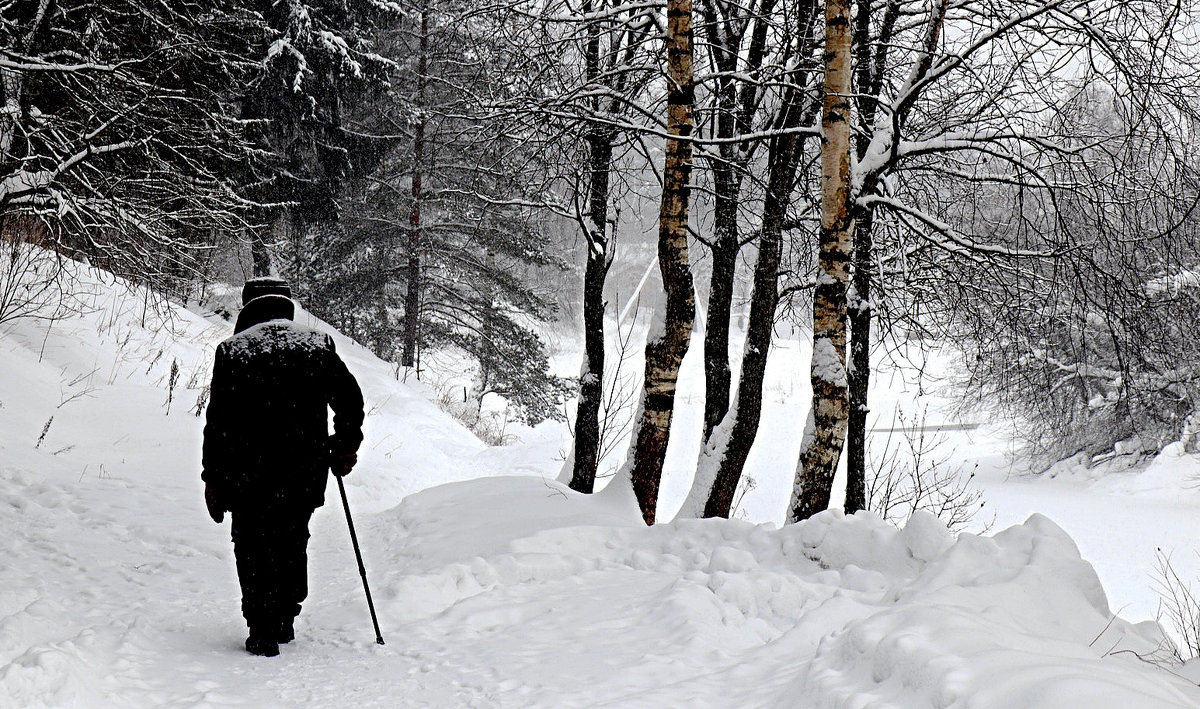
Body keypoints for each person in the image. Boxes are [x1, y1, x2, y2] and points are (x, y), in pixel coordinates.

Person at [202, 277, 365, 657]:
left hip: (248, 474)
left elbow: (219, 423)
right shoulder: (316, 345)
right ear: (286, 305)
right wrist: (344, 446)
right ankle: (286, 615)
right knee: (292, 540)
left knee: (252, 544)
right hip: (301, 471)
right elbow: (350, 400)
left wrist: (213, 478)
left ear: (248, 307)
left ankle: (260, 626)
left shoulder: (233, 351)